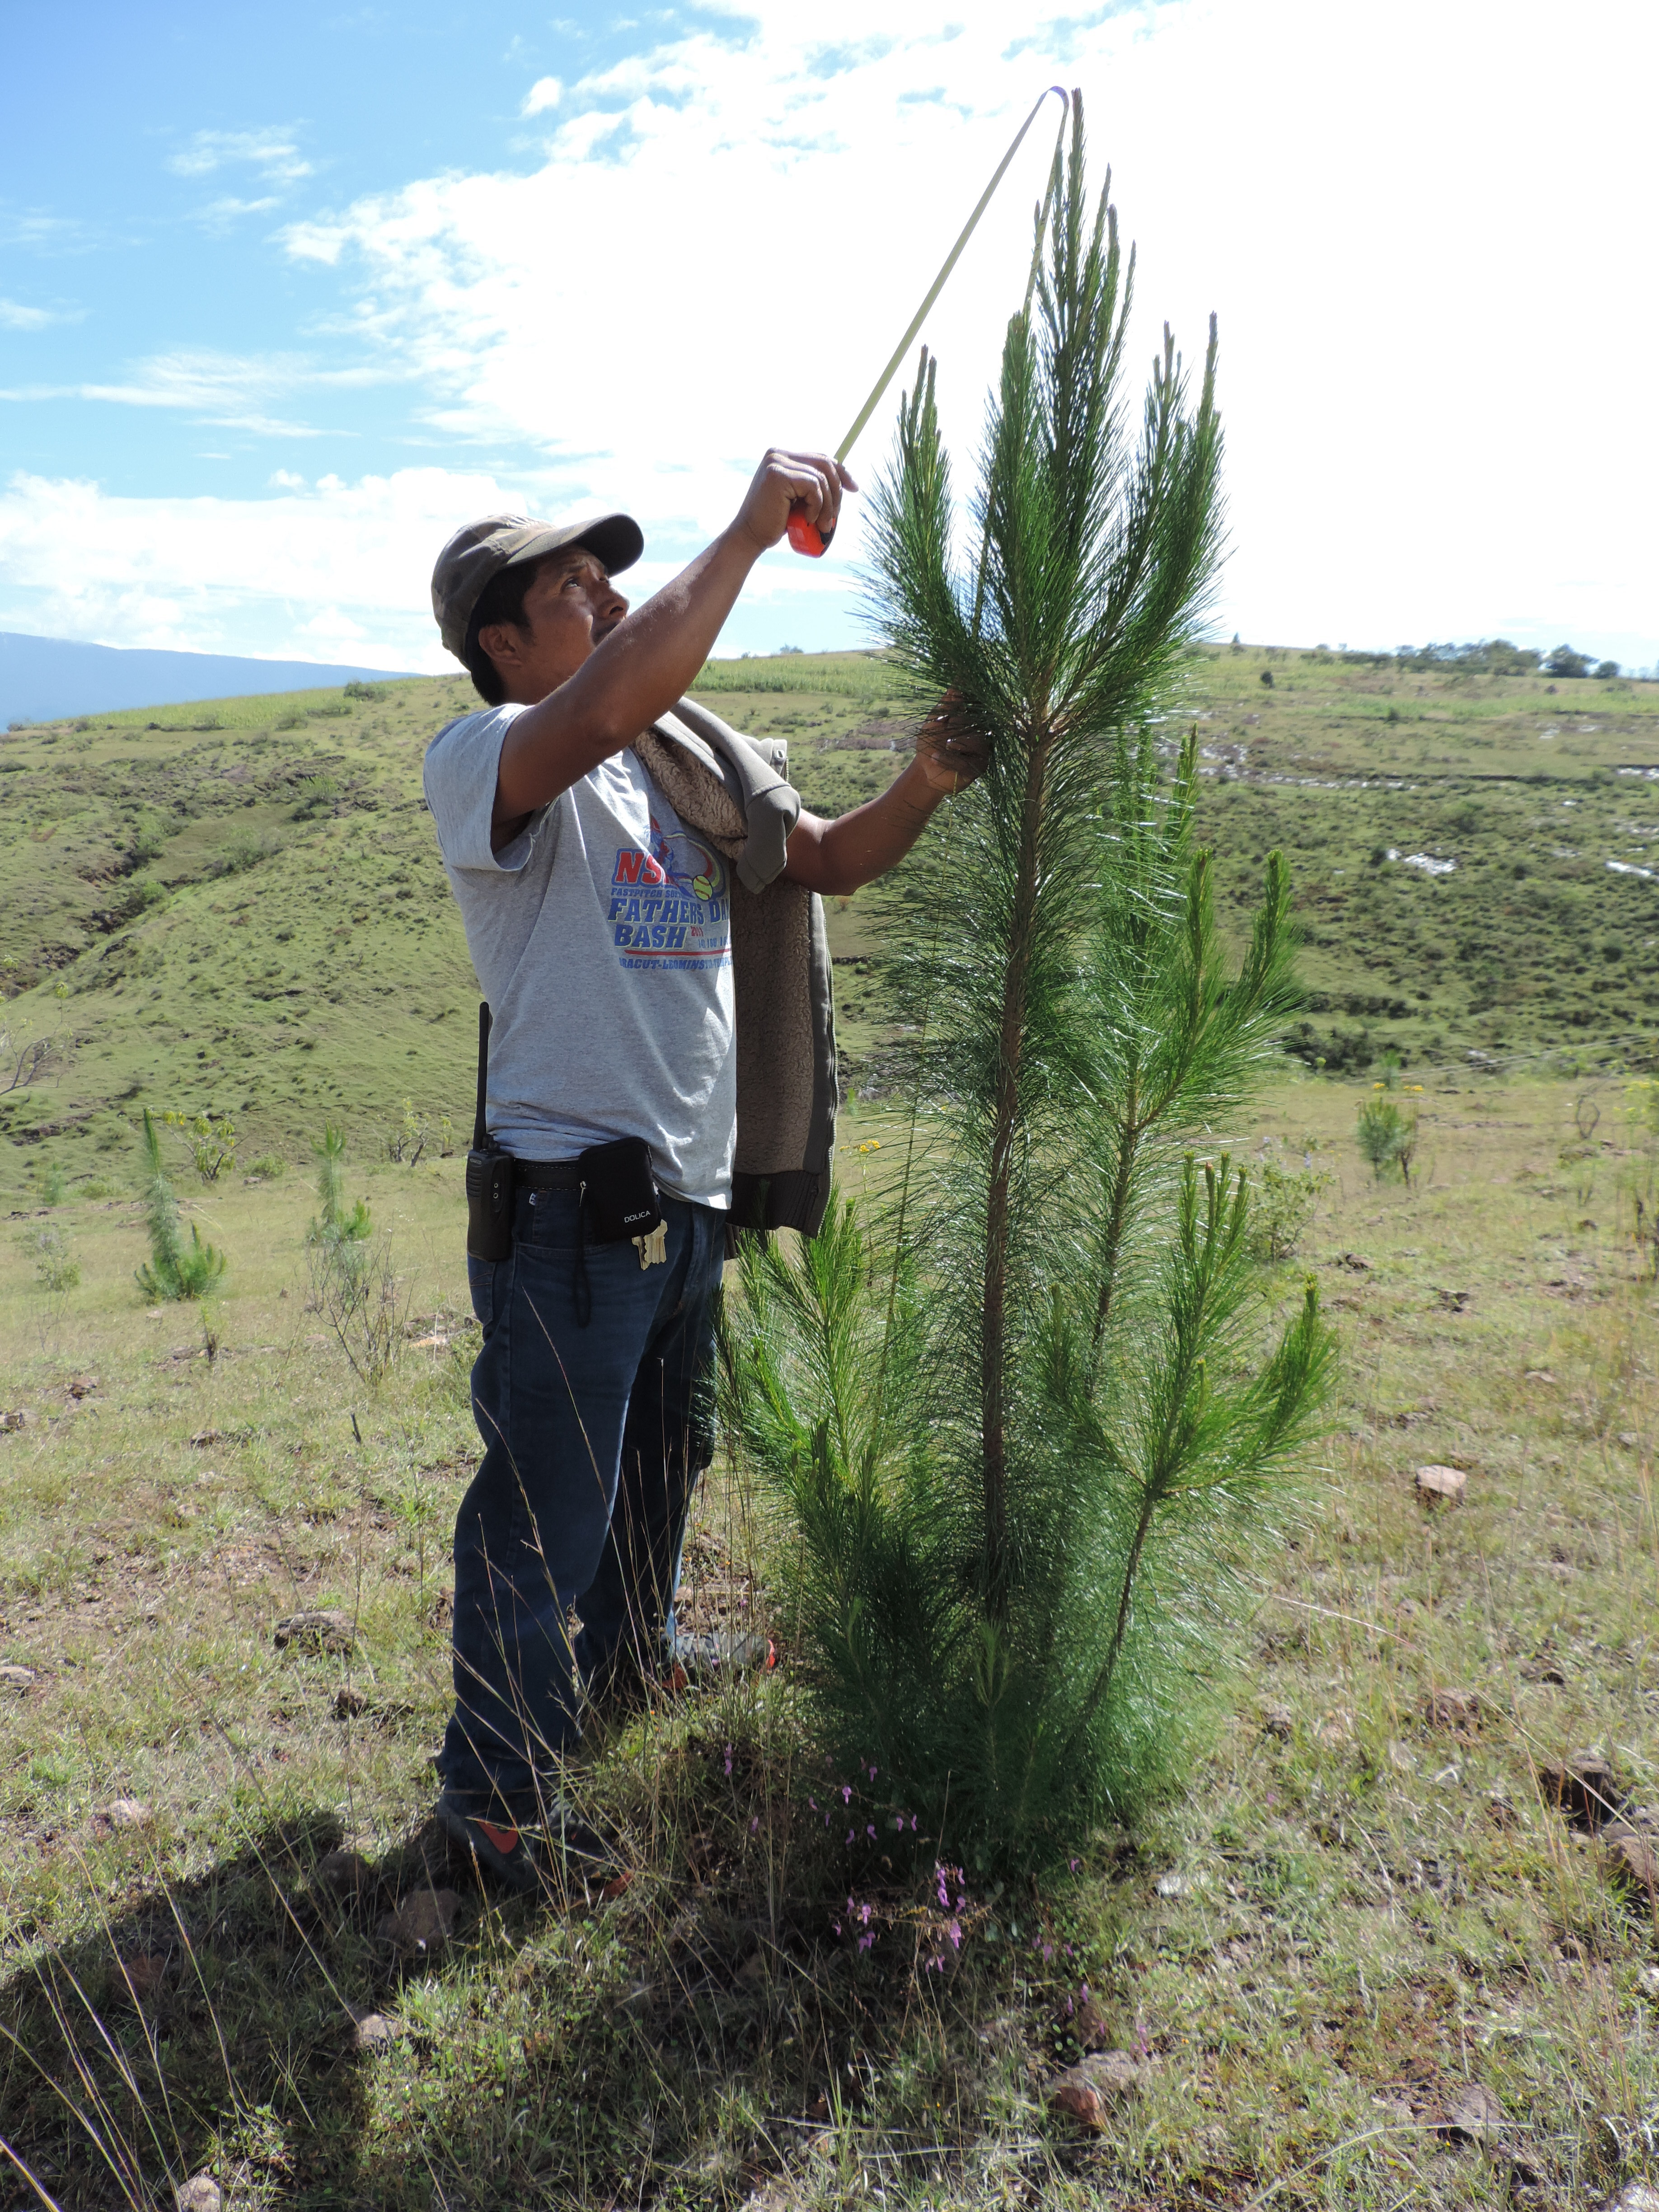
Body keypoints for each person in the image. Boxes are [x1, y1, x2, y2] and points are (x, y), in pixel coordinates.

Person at [422, 446, 984, 1891]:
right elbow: (613, 697)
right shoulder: (491, 763)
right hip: (567, 1216)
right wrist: (742, 537)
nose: (605, 599)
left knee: (665, 1466)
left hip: (680, 1202)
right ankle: (495, 1811)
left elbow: (830, 861)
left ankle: (637, 1661)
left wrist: (926, 779)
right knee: (542, 1515)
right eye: (572, 587)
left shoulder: (677, 774)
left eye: (611, 579)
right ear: (500, 640)